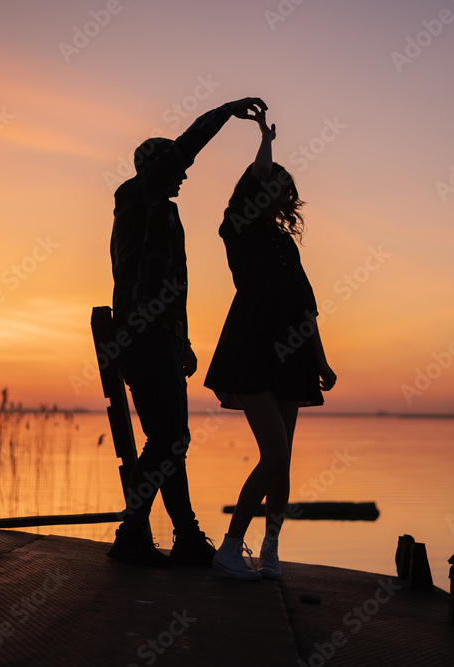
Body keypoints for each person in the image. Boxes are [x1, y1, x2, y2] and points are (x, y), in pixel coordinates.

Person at [107, 97, 268, 568]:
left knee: (168, 439)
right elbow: (186, 149)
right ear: (153, 168)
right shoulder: (136, 196)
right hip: (140, 335)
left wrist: (183, 340)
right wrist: (227, 110)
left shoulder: (166, 214)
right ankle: (133, 534)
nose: (181, 175)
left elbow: (173, 285)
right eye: (171, 167)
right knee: (170, 438)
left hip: (159, 338)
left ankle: (185, 538)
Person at [205, 113, 336, 580]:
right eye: (271, 186)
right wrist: (265, 140)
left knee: (283, 464)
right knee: (275, 457)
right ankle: (230, 546)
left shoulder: (286, 244)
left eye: (283, 189)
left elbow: (306, 306)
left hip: (292, 355)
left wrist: (320, 359)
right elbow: (255, 176)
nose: (276, 193)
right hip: (251, 348)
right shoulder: (238, 228)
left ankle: (271, 548)